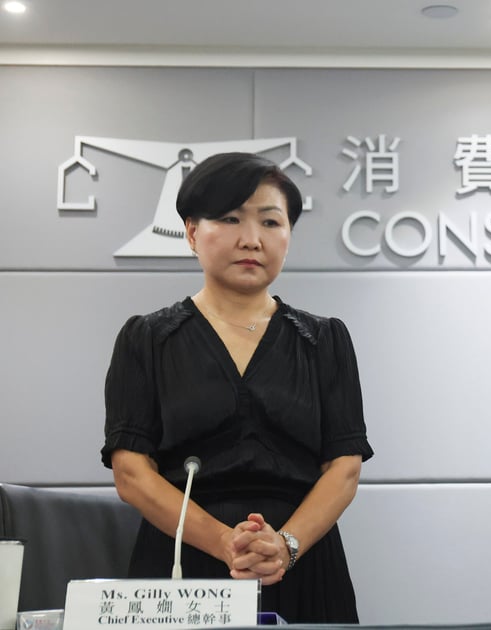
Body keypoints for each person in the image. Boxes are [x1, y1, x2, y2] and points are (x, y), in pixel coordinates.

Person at [102, 152, 373, 623]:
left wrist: (283, 547)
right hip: (183, 565)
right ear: (191, 232)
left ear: (288, 236)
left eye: (271, 222)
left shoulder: (325, 340)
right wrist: (226, 542)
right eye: (229, 219)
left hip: (300, 564)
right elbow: (131, 472)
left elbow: (344, 467)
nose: (251, 239)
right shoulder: (146, 338)